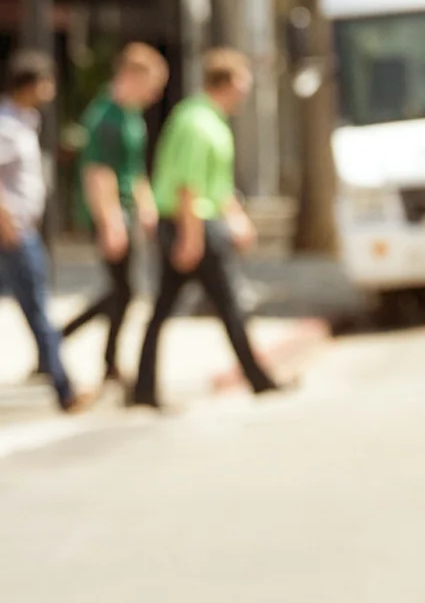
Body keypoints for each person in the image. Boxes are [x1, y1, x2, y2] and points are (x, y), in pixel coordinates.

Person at [129, 48, 281, 410]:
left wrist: (236, 217)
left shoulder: (209, 118)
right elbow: (189, 186)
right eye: (242, 82)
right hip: (192, 225)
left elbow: (217, 184)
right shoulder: (197, 122)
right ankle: (258, 379)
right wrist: (191, 237)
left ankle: (144, 388)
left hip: (199, 223)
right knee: (227, 304)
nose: (246, 91)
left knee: (171, 307)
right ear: (226, 82)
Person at [58, 42, 169, 386]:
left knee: (123, 289)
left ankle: (62, 340)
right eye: (151, 84)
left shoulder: (131, 115)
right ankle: (98, 358)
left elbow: (134, 169)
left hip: (127, 209)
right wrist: (110, 221)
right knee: (125, 289)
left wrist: (146, 205)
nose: (154, 94)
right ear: (131, 76)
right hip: (111, 212)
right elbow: (98, 172)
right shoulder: (105, 115)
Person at [0, 51, 91, 414]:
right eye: (46, 81)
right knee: (38, 307)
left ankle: (61, 382)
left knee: (36, 307)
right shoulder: (7, 125)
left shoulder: (25, 121)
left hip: (21, 230)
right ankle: (65, 389)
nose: (51, 89)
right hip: (14, 232)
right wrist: (7, 223)